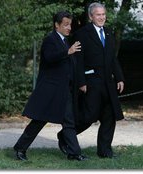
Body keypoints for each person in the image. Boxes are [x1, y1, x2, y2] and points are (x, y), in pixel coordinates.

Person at [13, 11, 87, 161]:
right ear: (56, 25)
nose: (69, 28)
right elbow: (50, 57)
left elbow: (70, 66)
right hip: (49, 90)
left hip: (63, 90)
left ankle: (74, 153)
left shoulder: (66, 41)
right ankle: (20, 149)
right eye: (65, 25)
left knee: (69, 121)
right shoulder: (50, 40)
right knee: (39, 121)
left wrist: (79, 82)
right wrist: (68, 51)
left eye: (70, 24)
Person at [58, 2, 125, 159]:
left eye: (103, 14)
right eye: (98, 15)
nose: (101, 17)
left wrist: (120, 77)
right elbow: (77, 60)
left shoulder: (108, 33)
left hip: (108, 83)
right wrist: (81, 82)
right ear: (91, 16)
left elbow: (112, 59)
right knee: (88, 116)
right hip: (91, 82)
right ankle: (65, 136)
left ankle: (105, 151)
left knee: (110, 116)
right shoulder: (82, 34)